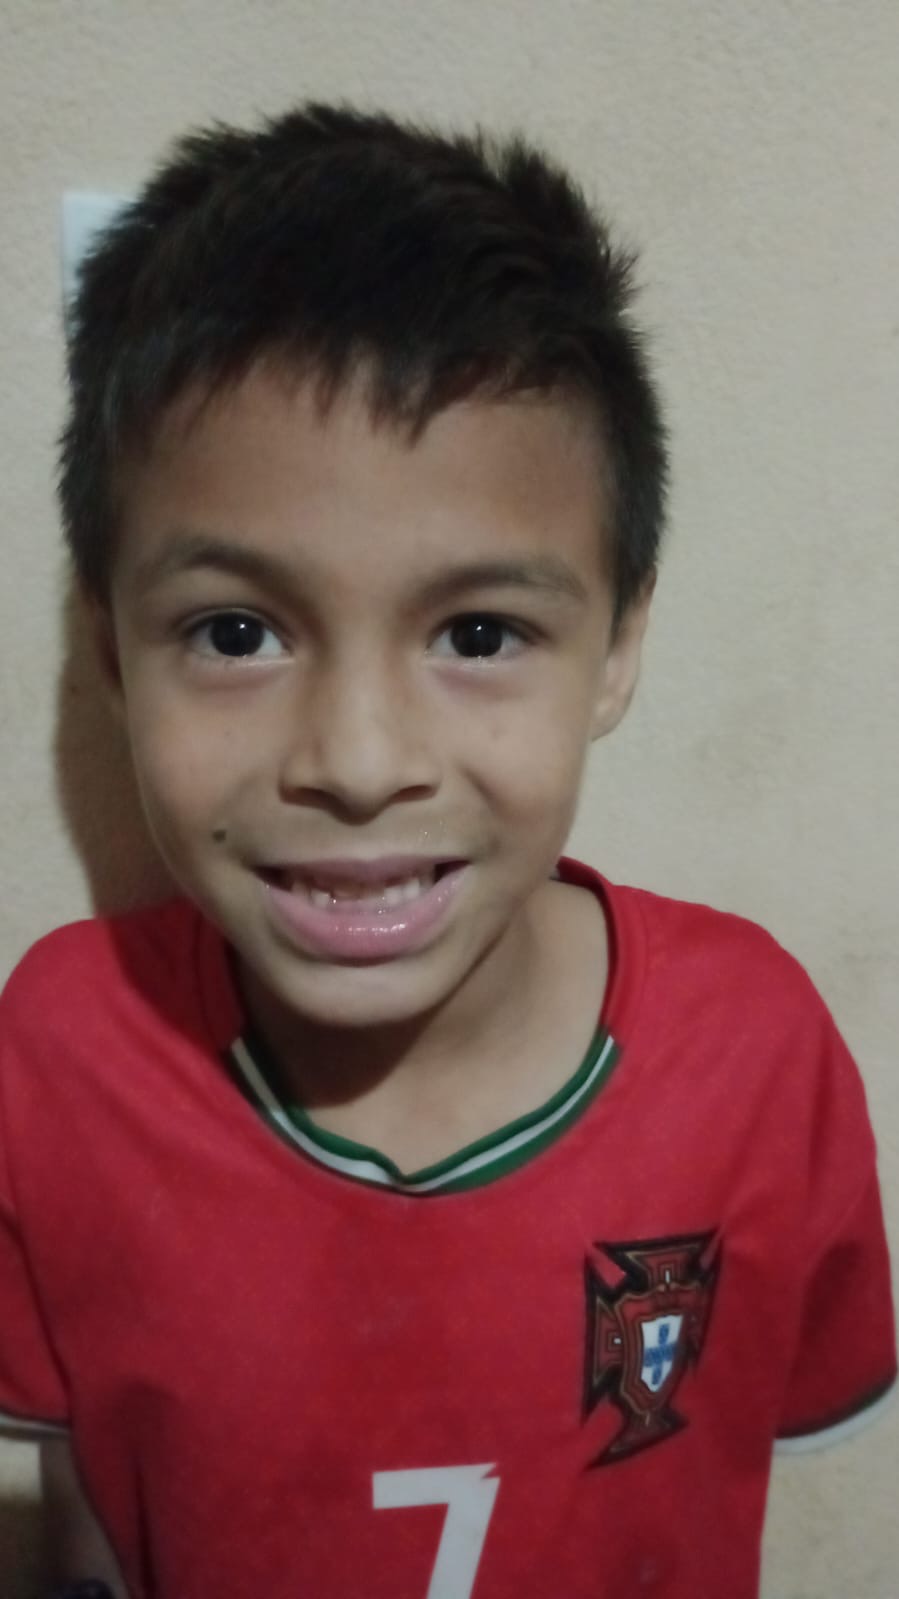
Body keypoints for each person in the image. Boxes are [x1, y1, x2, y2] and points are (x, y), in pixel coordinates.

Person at [0, 102, 894, 1599]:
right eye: (236, 632)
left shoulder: (756, 1054)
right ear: (110, 650)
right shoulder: (56, 1060)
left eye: (479, 634)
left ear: (617, 649)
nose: (358, 763)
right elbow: (82, 1520)